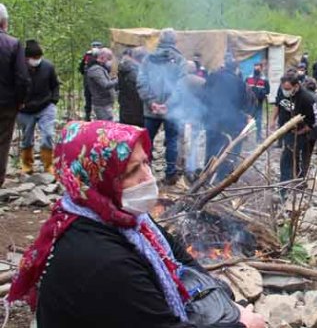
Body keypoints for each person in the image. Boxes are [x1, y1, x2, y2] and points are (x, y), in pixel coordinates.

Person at [7, 121, 265, 328]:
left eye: (146, 162)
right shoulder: (102, 259)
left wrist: (226, 304)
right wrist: (241, 325)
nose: (148, 177)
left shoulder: (123, 217)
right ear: (97, 181)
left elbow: (182, 259)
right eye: (132, 172)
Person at [137, 28, 187, 185]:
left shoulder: (147, 59)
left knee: (147, 141)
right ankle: (170, 174)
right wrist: (167, 105)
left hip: (150, 109)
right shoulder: (179, 60)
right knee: (171, 140)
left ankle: (145, 174)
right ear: (174, 41)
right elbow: (181, 86)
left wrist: (151, 102)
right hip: (171, 110)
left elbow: (141, 82)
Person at [203, 53, 249, 180]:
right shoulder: (239, 82)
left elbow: (204, 95)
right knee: (226, 147)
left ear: (224, 66)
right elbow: (243, 104)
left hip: (212, 118)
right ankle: (221, 176)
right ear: (235, 69)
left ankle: (207, 174)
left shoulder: (213, 76)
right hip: (229, 121)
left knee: (211, 146)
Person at [17, 40, 59, 175]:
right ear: (26, 58)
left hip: (46, 106)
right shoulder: (18, 68)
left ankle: (48, 165)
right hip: (25, 109)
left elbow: (55, 85)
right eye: (34, 58)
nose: (37, 60)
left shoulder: (48, 67)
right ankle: (27, 165)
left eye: (38, 57)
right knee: (26, 138)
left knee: (48, 134)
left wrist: (54, 100)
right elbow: (12, 86)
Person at [0, 3, 30, 187]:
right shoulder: (13, 44)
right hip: (5, 104)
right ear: (4, 23)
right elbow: (22, 78)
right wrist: (20, 101)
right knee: (2, 141)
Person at [275, 74, 316, 187]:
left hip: (301, 133)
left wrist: (300, 132)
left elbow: (314, 121)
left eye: (288, 89)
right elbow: (278, 105)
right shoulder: (283, 91)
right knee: (289, 157)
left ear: (296, 86)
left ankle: (286, 185)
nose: (285, 91)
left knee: (288, 159)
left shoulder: (306, 98)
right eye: (283, 88)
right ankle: (293, 181)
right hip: (287, 130)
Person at [118, 47, 146, 127]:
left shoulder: (124, 68)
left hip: (125, 109)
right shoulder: (135, 73)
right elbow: (139, 94)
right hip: (136, 113)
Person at [86, 48, 117, 121]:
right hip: (102, 105)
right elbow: (105, 84)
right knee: (105, 127)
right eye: (109, 59)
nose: (110, 62)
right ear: (102, 57)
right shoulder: (95, 70)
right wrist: (118, 80)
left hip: (106, 104)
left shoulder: (100, 68)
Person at [245, 62, 270, 142]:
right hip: (249, 103)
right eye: (255, 66)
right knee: (247, 119)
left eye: (258, 67)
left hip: (259, 103)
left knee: (258, 121)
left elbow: (267, 91)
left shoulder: (264, 79)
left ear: (261, 68)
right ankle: (245, 136)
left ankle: (258, 137)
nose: (256, 68)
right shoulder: (248, 78)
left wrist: (262, 93)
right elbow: (244, 89)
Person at [79, 41, 102, 121]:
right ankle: (96, 117)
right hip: (97, 81)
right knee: (96, 98)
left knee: (88, 98)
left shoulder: (87, 55)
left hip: (88, 80)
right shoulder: (101, 55)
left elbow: (81, 68)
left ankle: (88, 116)